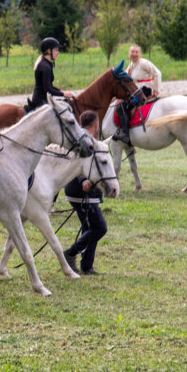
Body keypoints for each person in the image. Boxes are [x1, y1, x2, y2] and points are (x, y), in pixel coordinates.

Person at [62, 111, 107, 276]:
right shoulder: (84, 140)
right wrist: (84, 181)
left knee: (90, 228)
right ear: (96, 125)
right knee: (99, 227)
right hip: (81, 191)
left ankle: (87, 266)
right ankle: (70, 253)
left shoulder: (81, 138)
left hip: (81, 191)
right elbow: (79, 162)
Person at [114, 44, 162, 145]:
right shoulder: (131, 64)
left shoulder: (144, 63)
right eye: (132, 52)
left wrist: (156, 89)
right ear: (129, 53)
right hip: (136, 90)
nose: (134, 54)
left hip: (145, 89)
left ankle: (125, 134)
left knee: (121, 107)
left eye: (136, 52)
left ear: (140, 54)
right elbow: (126, 75)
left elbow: (157, 73)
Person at [25, 37, 74, 113]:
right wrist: (63, 94)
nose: (58, 52)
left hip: (43, 99)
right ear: (49, 51)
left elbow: (49, 86)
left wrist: (62, 92)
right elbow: (48, 89)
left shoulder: (45, 63)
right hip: (41, 102)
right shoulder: (45, 67)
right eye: (56, 50)